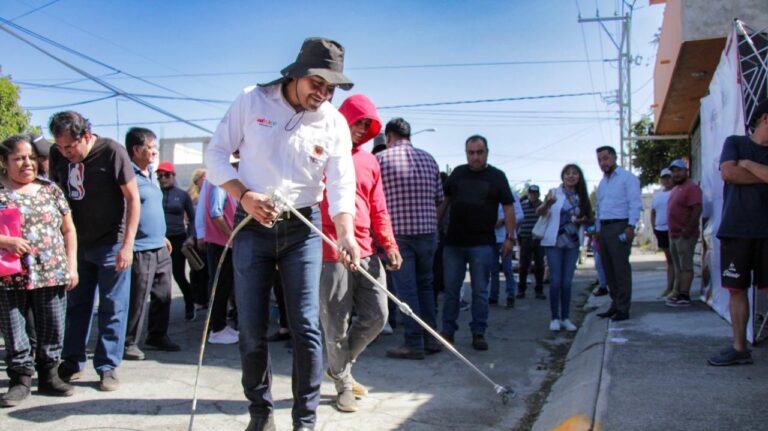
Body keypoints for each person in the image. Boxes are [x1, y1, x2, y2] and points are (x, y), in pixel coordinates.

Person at [205, 37, 359, 431]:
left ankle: (304, 420)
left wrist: (346, 233)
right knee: (252, 328)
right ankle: (261, 414)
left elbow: (342, 184)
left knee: (306, 326)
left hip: (303, 230)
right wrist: (243, 195)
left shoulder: (334, 123)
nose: (323, 95)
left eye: (331, 88)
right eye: (317, 84)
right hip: (253, 226)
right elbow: (215, 154)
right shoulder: (252, 101)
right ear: (295, 74)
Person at [319, 94, 402, 412]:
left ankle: (339, 366)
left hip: (367, 250)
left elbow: (378, 208)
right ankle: (343, 385)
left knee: (378, 315)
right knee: (336, 322)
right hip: (331, 248)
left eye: (368, 125)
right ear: (343, 118)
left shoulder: (370, 161)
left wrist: (389, 244)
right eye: (358, 121)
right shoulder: (322, 152)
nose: (362, 129)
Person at [48, 111, 140, 392]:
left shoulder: (112, 151)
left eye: (70, 146)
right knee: (76, 305)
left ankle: (107, 366)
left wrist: (127, 245)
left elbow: (133, 199)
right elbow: (57, 197)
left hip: (112, 244)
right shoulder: (57, 155)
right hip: (77, 244)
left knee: (112, 307)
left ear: (86, 136)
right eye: (60, 147)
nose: (66, 153)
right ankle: (72, 360)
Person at [0, 135, 77, 407]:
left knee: (52, 325)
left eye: (31, 158)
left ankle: (49, 375)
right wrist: (6, 241)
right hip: (9, 276)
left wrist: (72, 266)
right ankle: (20, 380)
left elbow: (68, 230)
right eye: (19, 158)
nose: (27, 163)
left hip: (51, 271)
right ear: (4, 161)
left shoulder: (50, 189)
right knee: (14, 328)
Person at [439, 135, 516, 350]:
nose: (475, 157)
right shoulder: (457, 173)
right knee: (451, 290)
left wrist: (510, 238)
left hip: (483, 244)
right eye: (471, 153)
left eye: (479, 152)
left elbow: (509, 208)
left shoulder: (497, 177)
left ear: (487, 153)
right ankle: (447, 332)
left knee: (480, 291)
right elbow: (444, 202)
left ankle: (478, 333)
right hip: (454, 243)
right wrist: (432, 227)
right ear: (466, 154)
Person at [377, 117, 443, 360]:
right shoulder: (429, 159)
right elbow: (439, 197)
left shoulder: (381, 160)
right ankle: (431, 339)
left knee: (406, 290)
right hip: (427, 233)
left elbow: (375, 199)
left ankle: (414, 343)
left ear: (389, 137)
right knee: (426, 286)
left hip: (398, 236)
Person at [707, 100, 768, 366]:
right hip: (736, 230)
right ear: (765, 118)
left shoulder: (744, 155)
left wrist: (749, 165)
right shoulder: (735, 142)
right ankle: (740, 348)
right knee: (736, 289)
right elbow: (729, 173)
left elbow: (738, 170)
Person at [123, 128, 179, 362]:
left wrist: (162, 235)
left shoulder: (152, 175)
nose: (155, 151)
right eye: (151, 147)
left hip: (160, 245)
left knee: (163, 294)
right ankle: (128, 342)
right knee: (138, 298)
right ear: (137, 150)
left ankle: (157, 335)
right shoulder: (128, 176)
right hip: (140, 248)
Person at [536, 164, 593, 332]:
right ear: (563, 177)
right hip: (554, 242)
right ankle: (554, 317)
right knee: (555, 281)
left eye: (574, 173)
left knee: (567, 282)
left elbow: (590, 218)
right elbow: (539, 212)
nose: (571, 176)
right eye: (567, 173)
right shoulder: (554, 193)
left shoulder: (582, 196)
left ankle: (565, 317)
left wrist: (581, 220)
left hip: (573, 243)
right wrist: (547, 203)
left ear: (579, 177)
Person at [594, 146, 641, 322]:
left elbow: (635, 203)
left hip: (620, 226)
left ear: (614, 157)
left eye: (605, 158)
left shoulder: (627, 178)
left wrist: (631, 226)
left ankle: (623, 308)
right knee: (608, 269)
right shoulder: (602, 184)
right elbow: (599, 208)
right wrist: (597, 230)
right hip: (604, 228)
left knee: (620, 269)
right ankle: (615, 304)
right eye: (599, 160)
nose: (603, 163)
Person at [197, 175, 239, 344]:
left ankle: (220, 325)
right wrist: (232, 237)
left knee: (224, 286)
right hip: (222, 244)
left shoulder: (222, 181)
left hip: (223, 243)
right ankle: (217, 329)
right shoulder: (220, 181)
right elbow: (216, 213)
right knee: (219, 286)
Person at [157, 161, 198, 321]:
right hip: (159, 240)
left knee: (178, 275)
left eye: (166, 175)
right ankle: (160, 312)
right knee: (158, 278)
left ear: (173, 176)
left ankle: (190, 303)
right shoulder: (155, 193)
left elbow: (193, 219)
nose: (163, 179)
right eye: (160, 176)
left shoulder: (182, 195)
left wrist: (191, 236)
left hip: (177, 239)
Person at [664, 160, 702, 308]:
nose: (676, 174)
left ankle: (684, 296)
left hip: (685, 235)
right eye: (673, 171)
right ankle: (678, 293)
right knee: (678, 266)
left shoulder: (691, 187)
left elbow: (697, 209)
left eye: (679, 170)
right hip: (674, 235)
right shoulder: (676, 188)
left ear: (686, 171)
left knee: (686, 266)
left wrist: (688, 230)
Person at [488, 196, 523, 308]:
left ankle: (510, 296)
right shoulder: (489, 193)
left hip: (506, 238)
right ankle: (493, 296)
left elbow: (520, 215)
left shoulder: (511, 195)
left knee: (507, 269)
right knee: (493, 269)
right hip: (491, 237)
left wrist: (503, 221)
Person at [517, 185, 546, 299]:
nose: (533, 195)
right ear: (528, 194)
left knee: (540, 265)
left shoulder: (543, 205)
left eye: (535, 193)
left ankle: (539, 290)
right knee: (523, 265)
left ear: (538, 194)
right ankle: (521, 290)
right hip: (525, 238)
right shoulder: (522, 205)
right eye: (531, 193)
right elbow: (518, 220)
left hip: (539, 239)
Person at [651, 168, 674, 298]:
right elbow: (653, 212)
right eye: (664, 178)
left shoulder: (676, 192)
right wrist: (654, 228)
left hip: (674, 230)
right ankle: (669, 287)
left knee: (676, 260)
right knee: (669, 260)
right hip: (661, 230)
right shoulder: (657, 195)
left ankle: (676, 288)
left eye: (669, 177)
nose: (666, 180)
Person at [187, 168, 209, 310]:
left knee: (207, 270)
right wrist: (190, 236)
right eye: (204, 178)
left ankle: (205, 298)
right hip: (195, 237)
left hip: (207, 236)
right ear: (197, 180)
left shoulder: (209, 194)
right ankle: (198, 299)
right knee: (197, 269)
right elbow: (189, 220)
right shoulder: (192, 198)